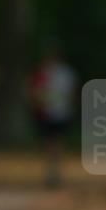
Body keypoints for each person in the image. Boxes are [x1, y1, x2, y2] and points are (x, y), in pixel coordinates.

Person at [29, 49, 77, 187]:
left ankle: (54, 171)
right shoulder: (46, 72)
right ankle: (53, 171)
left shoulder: (62, 73)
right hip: (48, 113)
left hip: (59, 113)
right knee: (52, 143)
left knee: (54, 143)